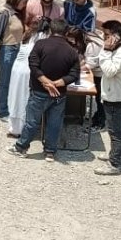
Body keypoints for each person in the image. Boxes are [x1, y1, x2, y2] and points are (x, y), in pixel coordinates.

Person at [8, 19, 80, 163]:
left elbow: (33, 65)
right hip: (60, 94)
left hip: (39, 91)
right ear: (66, 32)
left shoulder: (40, 45)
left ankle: (21, 147)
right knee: (54, 123)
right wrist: (57, 83)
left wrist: (46, 82)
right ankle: (50, 152)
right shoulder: (71, 51)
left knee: (32, 121)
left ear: (51, 30)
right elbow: (74, 74)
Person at [93, 20, 121, 176]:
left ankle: (114, 163)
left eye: (107, 35)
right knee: (111, 129)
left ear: (115, 36)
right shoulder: (116, 50)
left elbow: (109, 71)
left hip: (116, 97)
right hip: (111, 94)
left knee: (115, 131)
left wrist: (105, 51)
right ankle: (113, 155)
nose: (104, 38)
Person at [0, 0, 29, 121]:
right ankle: (1, 111)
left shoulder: (16, 14)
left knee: (13, 80)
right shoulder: (5, 14)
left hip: (17, 49)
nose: (24, 5)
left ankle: (10, 107)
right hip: (7, 50)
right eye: (23, 2)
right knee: (4, 81)